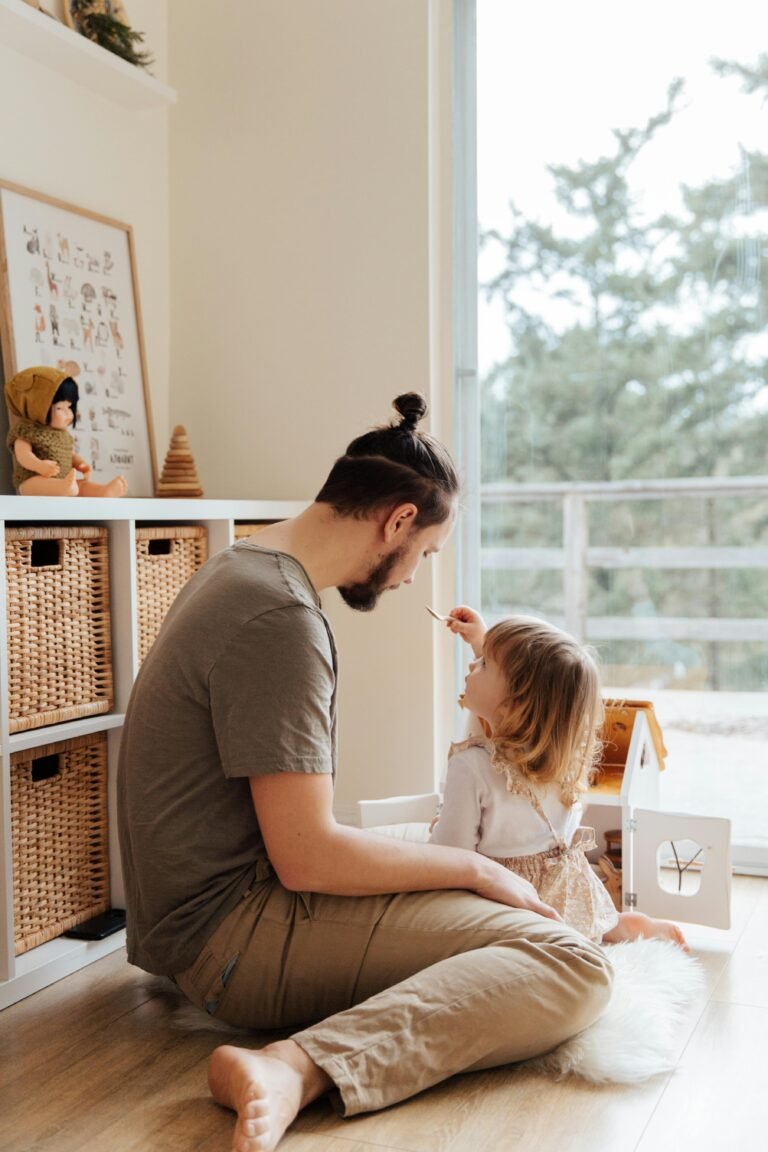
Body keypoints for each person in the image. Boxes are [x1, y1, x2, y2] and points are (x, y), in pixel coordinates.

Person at [117, 394, 613, 1152]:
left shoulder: (242, 569)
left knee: (505, 923)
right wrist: (473, 873)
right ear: (398, 522)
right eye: (426, 555)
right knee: (569, 962)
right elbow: (307, 856)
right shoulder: (279, 622)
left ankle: (300, 1057)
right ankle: (296, 1065)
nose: (415, 577)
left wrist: (453, 872)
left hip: (195, 922)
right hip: (227, 939)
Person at [431, 605, 688, 950]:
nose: (471, 666)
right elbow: (507, 698)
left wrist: (439, 828)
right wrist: (480, 642)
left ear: (514, 706)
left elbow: (450, 856)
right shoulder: (557, 758)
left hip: (510, 900)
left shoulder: (471, 765)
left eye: (484, 663)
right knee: (585, 930)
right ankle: (621, 927)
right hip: (565, 885)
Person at [4, 365, 128, 497]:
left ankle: (103, 492)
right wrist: (39, 466)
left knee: (81, 485)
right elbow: (23, 455)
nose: (68, 414)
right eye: (59, 408)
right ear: (36, 407)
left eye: (69, 407)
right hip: (33, 479)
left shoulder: (63, 435)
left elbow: (71, 455)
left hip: (64, 480)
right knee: (40, 484)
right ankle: (63, 488)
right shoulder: (25, 431)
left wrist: (81, 464)